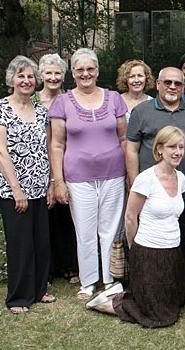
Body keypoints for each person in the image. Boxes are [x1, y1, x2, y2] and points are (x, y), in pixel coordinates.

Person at [85, 126, 185, 328]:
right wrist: (136, 251)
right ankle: (107, 303)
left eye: (181, 147)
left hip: (172, 251)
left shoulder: (181, 178)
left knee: (176, 302)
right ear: (159, 149)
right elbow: (131, 217)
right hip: (147, 250)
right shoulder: (145, 179)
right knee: (160, 317)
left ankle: (120, 293)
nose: (177, 152)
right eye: (171, 147)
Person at [49, 48, 128, 300]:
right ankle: (89, 280)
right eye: (80, 69)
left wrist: (129, 173)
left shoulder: (114, 98)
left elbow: (124, 138)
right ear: (72, 73)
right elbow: (57, 145)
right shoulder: (61, 102)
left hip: (113, 173)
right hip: (77, 177)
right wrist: (58, 181)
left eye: (90, 69)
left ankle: (109, 278)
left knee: (110, 229)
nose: (85, 74)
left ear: (97, 71)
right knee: (84, 229)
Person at [126, 67, 185, 286]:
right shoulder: (141, 111)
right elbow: (131, 149)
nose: (172, 87)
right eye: (167, 82)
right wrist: (133, 180)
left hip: (182, 186)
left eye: (177, 83)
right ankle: (145, 278)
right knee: (150, 237)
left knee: (179, 236)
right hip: (150, 190)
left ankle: (178, 282)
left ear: (183, 87)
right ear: (157, 84)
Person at [0, 55, 56, 314]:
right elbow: (1, 151)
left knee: (40, 241)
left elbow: (46, 148)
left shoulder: (41, 111)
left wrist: (51, 184)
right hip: (14, 190)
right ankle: (18, 297)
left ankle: (39, 289)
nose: (26, 80)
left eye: (30, 76)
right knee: (20, 243)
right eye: (20, 76)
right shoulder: (2, 108)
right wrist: (16, 190)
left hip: (40, 187)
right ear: (11, 79)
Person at [33, 53, 79, 285]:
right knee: (45, 218)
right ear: (41, 75)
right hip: (38, 166)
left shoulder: (71, 99)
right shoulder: (31, 100)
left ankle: (69, 266)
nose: (53, 77)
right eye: (48, 73)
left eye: (57, 73)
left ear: (64, 75)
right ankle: (47, 268)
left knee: (67, 216)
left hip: (68, 163)